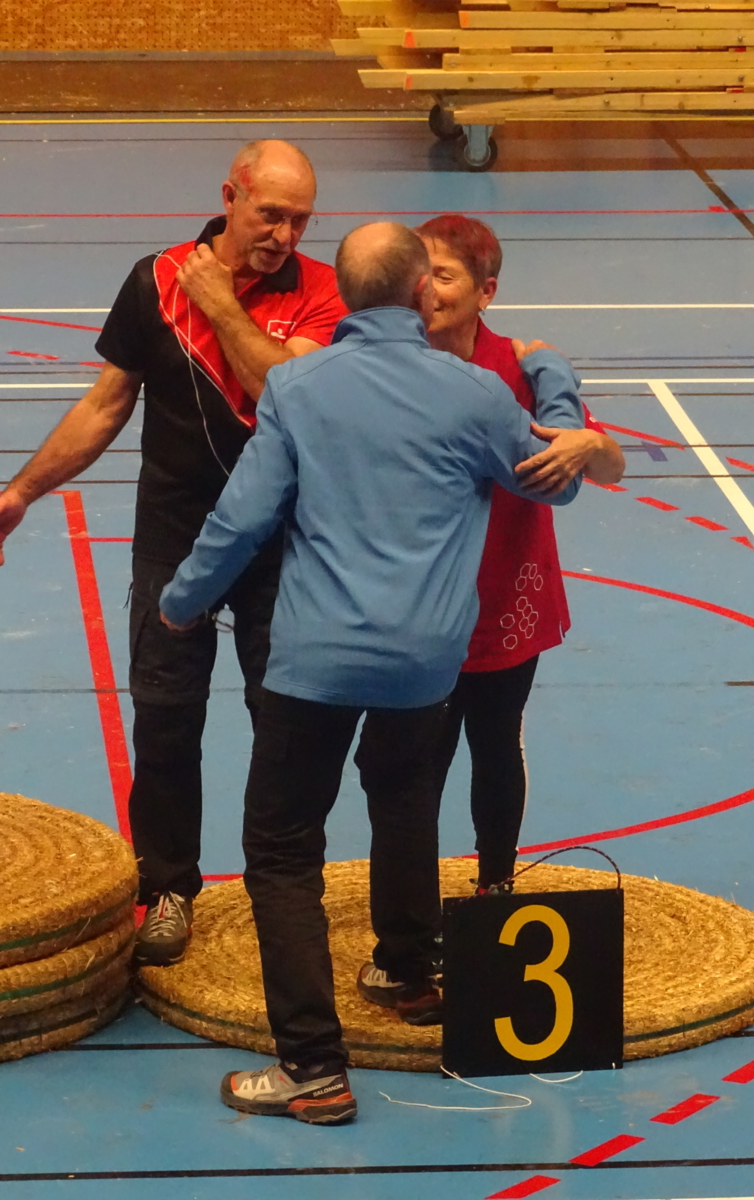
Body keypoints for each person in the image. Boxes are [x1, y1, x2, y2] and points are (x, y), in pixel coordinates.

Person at [158, 221, 584, 1125]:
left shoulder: (299, 386)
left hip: (314, 660)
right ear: (419, 291)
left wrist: (183, 600)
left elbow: (243, 518)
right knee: (405, 801)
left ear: (342, 296)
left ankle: (312, 1069)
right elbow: (558, 475)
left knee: (283, 851)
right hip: (426, 662)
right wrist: (554, 378)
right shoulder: (476, 393)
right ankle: (407, 971)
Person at [0, 140, 347, 967]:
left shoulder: (324, 292)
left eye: (300, 220)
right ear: (229, 198)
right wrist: (23, 492)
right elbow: (106, 405)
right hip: (175, 538)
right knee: (167, 720)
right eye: (270, 214)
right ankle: (169, 887)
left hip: (283, 542)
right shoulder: (155, 280)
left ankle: (283, 888)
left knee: (285, 722)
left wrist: (219, 304)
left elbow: (284, 393)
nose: (284, 235)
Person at [415, 214, 625, 897]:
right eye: (419, 273)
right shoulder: (392, 364)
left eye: (445, 276)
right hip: (419, 605)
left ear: (487, 292)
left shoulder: (524, 368)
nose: (427, 289)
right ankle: (411, 900)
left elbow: (609, 467)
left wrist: (591, 444)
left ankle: (496, 886)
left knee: (496, 742)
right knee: (418, 759)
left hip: (506, 598)